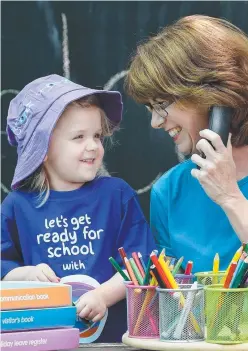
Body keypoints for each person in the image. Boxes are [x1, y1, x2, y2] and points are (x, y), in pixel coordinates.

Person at [125, 15, 248, 273]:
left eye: (162, 105)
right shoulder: (169, 191)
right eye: (151, 109)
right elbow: (174, 301)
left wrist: (230, 196)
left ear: (213, 95)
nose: (156, 122)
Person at [1, 74, 156, 342]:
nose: (93, 146)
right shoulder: (18, 205)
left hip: (114, 342)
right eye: (78, 137)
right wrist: (24, 274)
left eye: (97, 135)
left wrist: (102, 297)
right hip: (42, 341)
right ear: (43, 149)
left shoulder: (117, 195)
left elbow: (141, 265)